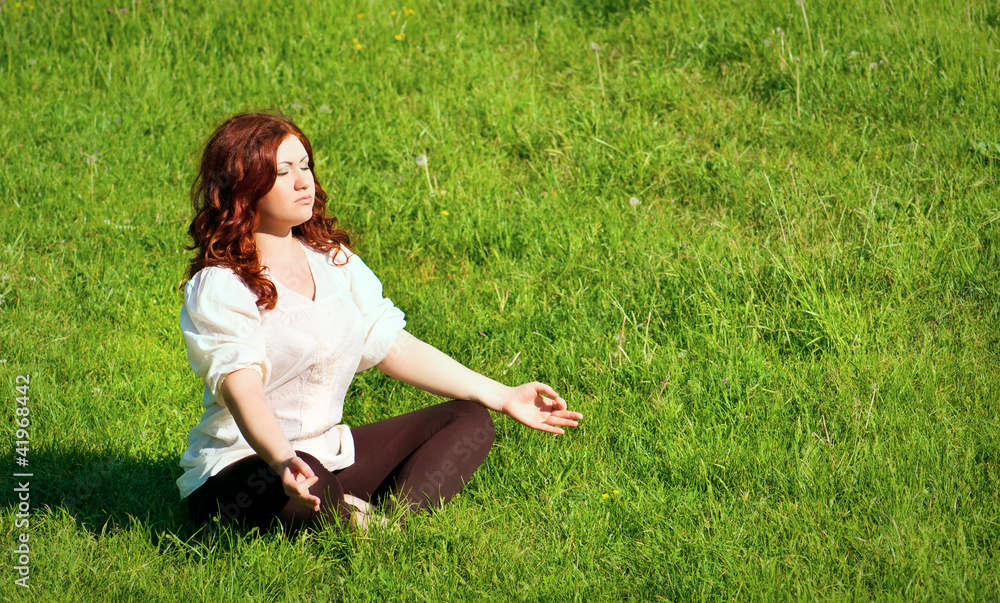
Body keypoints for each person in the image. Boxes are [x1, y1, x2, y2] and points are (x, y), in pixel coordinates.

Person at [177, 112, 583, 533]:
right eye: (282, 172)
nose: (303, 182)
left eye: (305, 166)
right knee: (305, 466)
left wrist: (503, 395)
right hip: (244, 477)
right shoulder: (222, 286)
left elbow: (395, 346)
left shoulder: (335, 261)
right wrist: (283, 458)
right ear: (243, 187)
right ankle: (347, 516)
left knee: (469, 419)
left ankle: (390, 527)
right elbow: (242, 389)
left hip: (325, 456)